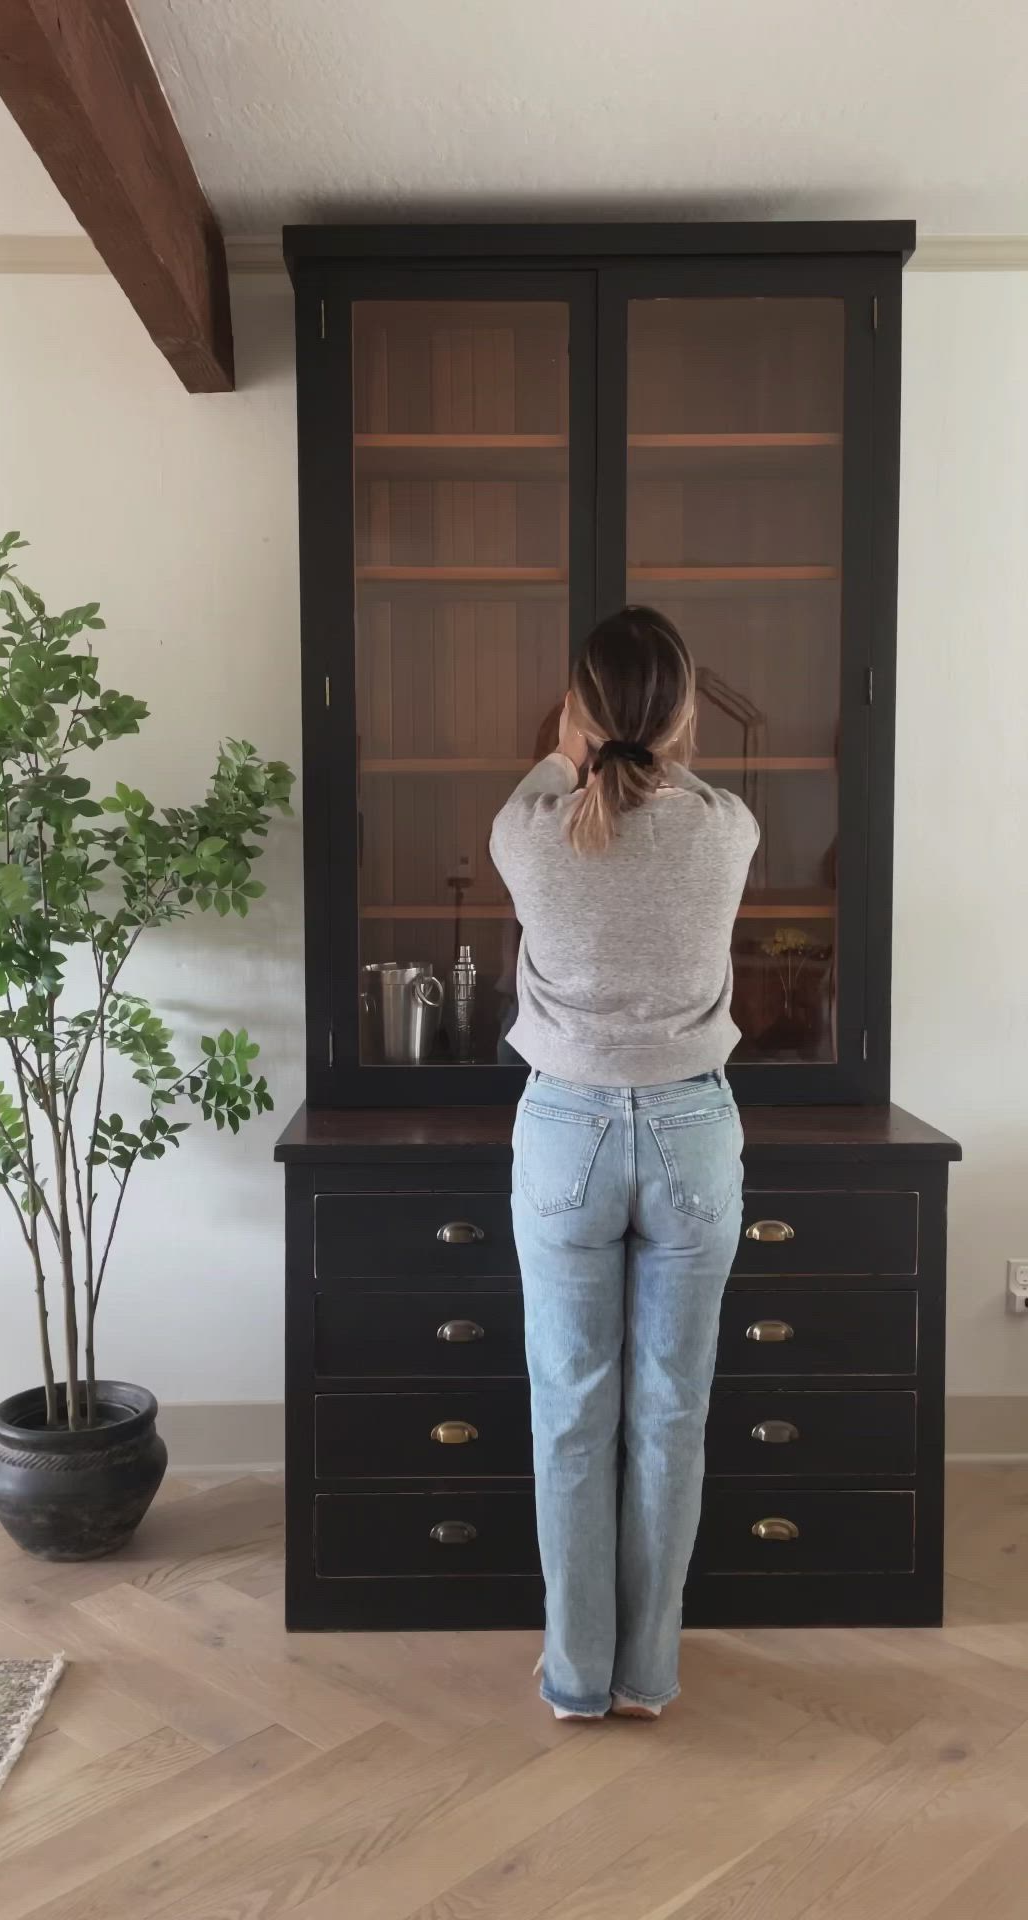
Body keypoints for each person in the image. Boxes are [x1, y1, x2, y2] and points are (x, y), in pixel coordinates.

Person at [489, 605, 758, 1722]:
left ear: (576, 711)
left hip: (567, 1132)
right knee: (670, 1413)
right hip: (693, 1130)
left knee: (570, 1411)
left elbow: (544, 790)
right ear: (688, 711)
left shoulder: (528, 831)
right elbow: (675, 792)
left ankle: (577, 1676)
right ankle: (648, 1676)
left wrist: (568, 751)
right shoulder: (727, 827)